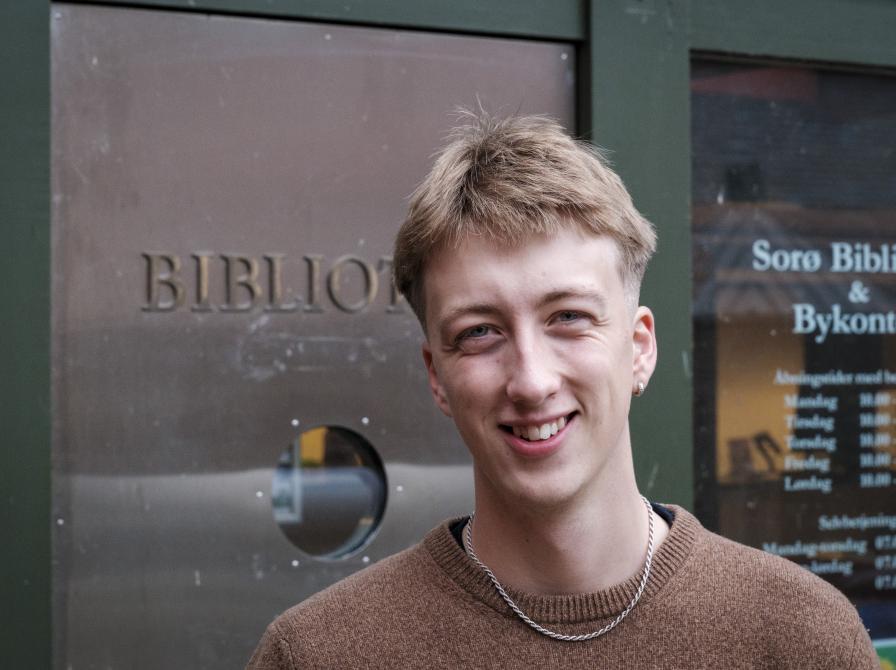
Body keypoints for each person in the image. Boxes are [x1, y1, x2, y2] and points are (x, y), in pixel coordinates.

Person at [247, 114, 878, 668]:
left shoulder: (797, 638)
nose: (532, 380)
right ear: (436, 376)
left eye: (568, 317)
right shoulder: (319, 655)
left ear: (638, 348)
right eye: (480, 332)